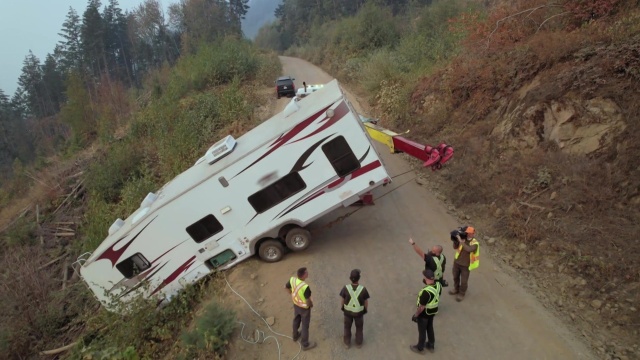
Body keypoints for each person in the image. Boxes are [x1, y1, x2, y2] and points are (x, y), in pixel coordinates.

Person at [285, 267, 317, 350]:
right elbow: (308, 300)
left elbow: (286, 287)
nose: (308, 273)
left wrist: (291, 294)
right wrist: (311, 305)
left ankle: (295, 336)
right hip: (304, 308)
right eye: (306, 273)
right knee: (305, 325)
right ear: (303, 276)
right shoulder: (305, 287)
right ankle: (305, 344)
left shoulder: (292, 280)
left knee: (296, 319)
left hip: (296, 304)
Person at [410, 269, 441, 354]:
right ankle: (431, 345)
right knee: (430, 327)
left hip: (424, 314)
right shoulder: (438, 285)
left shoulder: (426, 292)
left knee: (422, 330)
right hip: (433, 312)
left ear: (426, 278)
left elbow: (422, 307)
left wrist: (416, 315)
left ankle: (420, 348)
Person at [339, 269, 370, 349]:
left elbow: (342, 300)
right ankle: (358, 343)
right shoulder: (363, 289)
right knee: (359, 328)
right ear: (359, 278)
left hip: (347, 313)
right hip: (359, 313)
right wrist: (364, 310)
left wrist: (343, 308)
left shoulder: (346, 288)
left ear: (350, 278)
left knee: (347, 327)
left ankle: (347, 343)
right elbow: (366, 302)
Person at [449, 226, 480, 302]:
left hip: (466, 266)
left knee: (464, 281)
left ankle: (461, 293)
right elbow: (455, 247)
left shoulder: (475, 243)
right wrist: (456, 240)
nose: (469, 234)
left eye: (471, 233)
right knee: (455, 277)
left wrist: (460, 241)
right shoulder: (463, 238)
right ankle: (456, 289)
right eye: (468, 233)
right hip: (457, 262)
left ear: (473, 233)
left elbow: (469, 249)